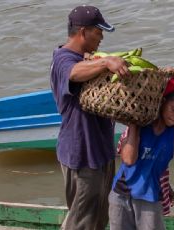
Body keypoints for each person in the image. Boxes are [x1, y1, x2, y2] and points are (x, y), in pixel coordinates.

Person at [50, 5, 131, 230]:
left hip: (101, 150)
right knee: (81, 221)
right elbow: (72, 73)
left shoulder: (85, 58)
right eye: (98, 31)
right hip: (81, 153)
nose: (102, 36)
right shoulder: (63, 58)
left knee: (99, 218)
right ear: (83, 32)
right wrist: (106, 62)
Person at [108, 67, 174, 230]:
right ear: (162, 103)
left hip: (150, 196)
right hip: (121, 194)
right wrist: (134, 123)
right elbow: (128, 160)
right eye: (173, 109)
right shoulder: (141, 125)